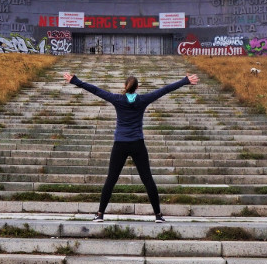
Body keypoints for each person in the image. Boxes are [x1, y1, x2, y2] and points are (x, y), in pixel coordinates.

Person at [62, 69, 199, 221]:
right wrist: (185, 81)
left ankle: (100, 214)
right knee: (147, 179)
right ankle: (158, 215)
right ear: (137, 88)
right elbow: (164, 90)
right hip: (137, 144)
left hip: (120, 144)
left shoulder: (117, 99)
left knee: (111, 179)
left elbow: (96, 90)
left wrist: (75, 81)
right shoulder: (143, 100)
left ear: (125, 86)